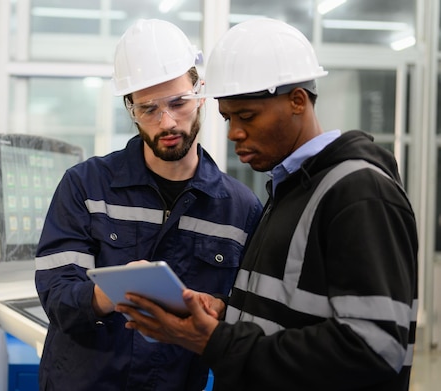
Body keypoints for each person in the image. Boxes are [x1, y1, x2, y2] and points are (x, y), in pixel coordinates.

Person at [116, 18, 419, 391]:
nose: (233, 134)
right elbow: (293, 314)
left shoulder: (358, 193)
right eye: (228, 118)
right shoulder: (291, 189)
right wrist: (226, 314)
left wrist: (214, 341)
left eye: (247, 116)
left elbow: (376, 348)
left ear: (297, 101)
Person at [34, 18, 263, 391]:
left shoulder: (239, 209)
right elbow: (56, 294)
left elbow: (245, 316)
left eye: (179, 103)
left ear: (200, 93)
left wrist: (218, 309)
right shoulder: (85, 186)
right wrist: (108, 294)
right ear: (131, 109)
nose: (167, 121)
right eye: (148, 109)